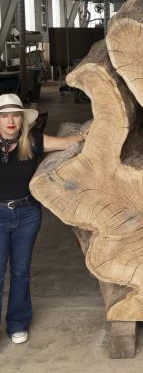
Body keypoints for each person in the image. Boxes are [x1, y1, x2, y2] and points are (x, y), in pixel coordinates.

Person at [0, 93, 87, 344]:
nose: (11, 121)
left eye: (15, 115)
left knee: (20, 271)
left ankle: (17, 323)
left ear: (22, 119)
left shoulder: (32, 141)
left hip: (27, 214)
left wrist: (86, 134)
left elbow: (67, 142)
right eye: (4, 116)